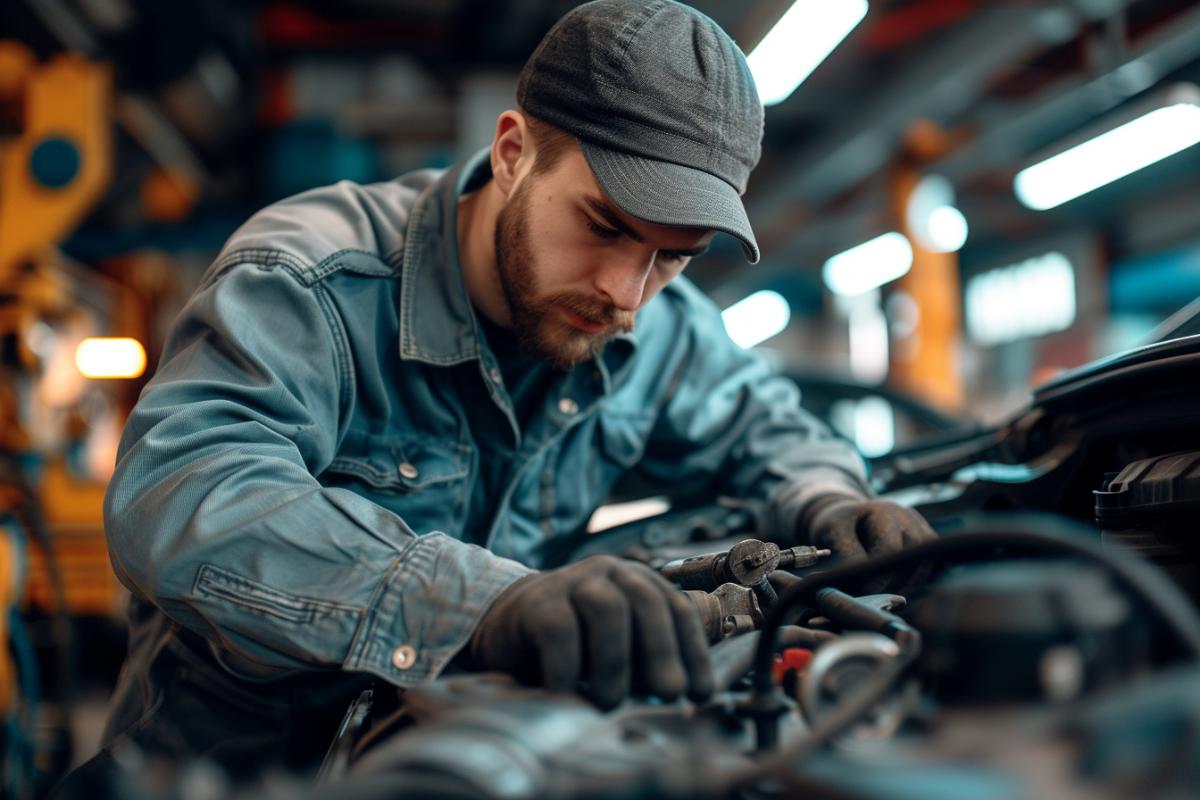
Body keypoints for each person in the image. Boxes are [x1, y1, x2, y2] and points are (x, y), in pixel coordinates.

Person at [69, 0, 935, 791]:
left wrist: (830, 499)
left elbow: (770, 431)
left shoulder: (659, 330)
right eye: (603, 225)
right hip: (231, 768)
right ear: (514, 153)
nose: (627, 293)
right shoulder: (314, 281)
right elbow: (182, 493)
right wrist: (482, 601)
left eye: (674, 256)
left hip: (474, 760)